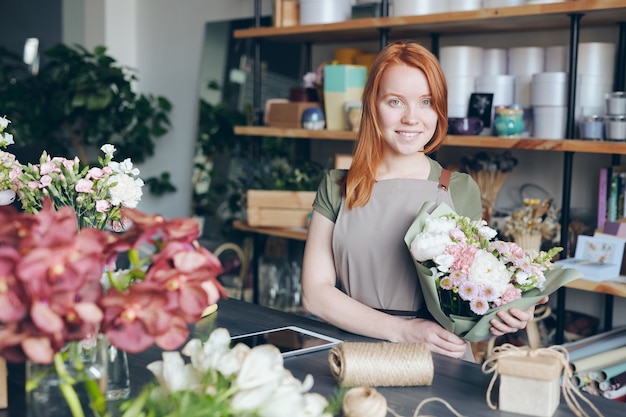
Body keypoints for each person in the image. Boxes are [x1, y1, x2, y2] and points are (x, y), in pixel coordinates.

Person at [301, 41, 544, 361]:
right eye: (395, 101)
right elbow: (315, 294)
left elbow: (475, 296)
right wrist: (404, 331)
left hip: (439, 358)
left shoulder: (460, 188)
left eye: (425, 102)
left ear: (439, 109)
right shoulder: (337, 187)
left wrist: (505, 311)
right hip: (353, 355)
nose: (411, 118)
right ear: (373, 105)